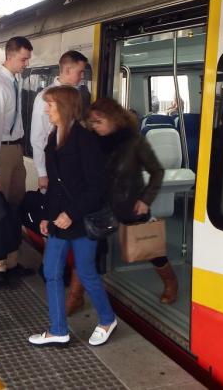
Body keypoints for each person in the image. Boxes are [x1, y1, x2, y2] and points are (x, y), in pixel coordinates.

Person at [29, 86, 117, 347]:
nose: (46, 110)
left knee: (86, 272)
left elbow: (97, 187)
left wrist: (71, 214)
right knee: (51, 271)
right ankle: (58, 330)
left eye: (51, 105)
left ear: (64, 108)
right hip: (60, 220)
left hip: (81, 220)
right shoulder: (53, 138)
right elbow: (54, 187)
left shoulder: (85, 140)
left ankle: (107, 319)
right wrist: (46, 216)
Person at [88, 98, 176, 303]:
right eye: (92, 122)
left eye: (99, 121)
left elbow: (157, 172)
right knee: (89, 248)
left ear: (114, 120)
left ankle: (171, 282)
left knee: (150, 248)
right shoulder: (92, 142)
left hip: (130, 203)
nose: (95, 126)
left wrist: (145, 200)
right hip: (100, 204)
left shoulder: (135, 142)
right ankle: (76, 294)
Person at [29, 50, 90, 314]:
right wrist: (42, 172)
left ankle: (72, 286)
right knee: (55, 224)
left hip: (73, 182)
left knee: (71, 229)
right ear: (67, 69)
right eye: (80, 71)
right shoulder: (45, 98)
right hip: (54, 175)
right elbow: (37, 138)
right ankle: (55, 270)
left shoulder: (80, 96)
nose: (82, 77)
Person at [0, 36, 33, 288]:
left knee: (13, 208)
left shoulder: (13, 82)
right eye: (23, 59)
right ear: (9, 56)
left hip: (14, 149)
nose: (26, 63)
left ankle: (12, 261)